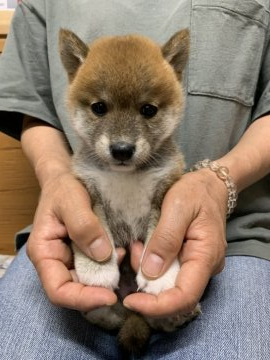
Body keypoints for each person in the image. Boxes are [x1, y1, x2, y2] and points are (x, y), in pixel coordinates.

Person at [0, 0, 270, 359]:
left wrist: (220, 181)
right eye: (99, 109)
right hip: (67, 245)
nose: (122, 140)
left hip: (236, 238)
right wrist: (57, 179)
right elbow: (31, 108)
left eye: (147, 111)